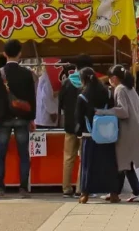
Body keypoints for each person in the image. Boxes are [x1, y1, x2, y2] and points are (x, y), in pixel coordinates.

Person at [0, 39, 37, 198]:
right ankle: (23, 188)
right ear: (20, 54)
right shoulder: (27, 74)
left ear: (4, 54)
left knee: (0, 154)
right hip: (22, 118)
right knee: (23, 154)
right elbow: (32, 97)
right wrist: (31, 118)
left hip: (3, 119)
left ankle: (0, 188)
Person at [95, 66, 139, 203]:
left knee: (124, 164)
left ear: (114, 78)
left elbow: (123, 111)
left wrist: (105, 112)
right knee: (123, 164)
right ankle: (115, 192)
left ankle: (137, 192)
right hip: (134, 129)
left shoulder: (120, 89)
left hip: (126, 131)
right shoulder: (131, 88)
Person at [75, 68, 117, 203]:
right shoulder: (107, 92)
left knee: (88, 165)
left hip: (90, 134)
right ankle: (113, 193)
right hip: (107, 134)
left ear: (83, 80)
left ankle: (85, 194)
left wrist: (79, 133)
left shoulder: (83, 96)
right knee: (108, 164)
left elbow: (78, 118)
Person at [58, 64, 82, 198]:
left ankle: (66, 189)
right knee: (83, 159)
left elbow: (60, 103)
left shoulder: (66, 82)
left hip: (69, 124)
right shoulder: (87, 81)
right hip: (84, 126)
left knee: (68, 158)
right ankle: (80, 188)